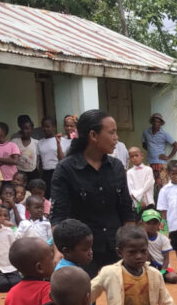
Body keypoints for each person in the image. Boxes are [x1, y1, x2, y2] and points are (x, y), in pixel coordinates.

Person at [51, 109, 135, 275]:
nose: (116, 138)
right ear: (93, 136)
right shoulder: (65, 169)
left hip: (116, 247)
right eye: (111, 132)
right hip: (80, 250)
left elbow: (127, 211)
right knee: (84, 299)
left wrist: (131, 246)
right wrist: (57, 250)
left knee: (124, 297)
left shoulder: (117, 167)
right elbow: (58, 215)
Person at [52, 218, 95, 305]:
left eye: (90, 247)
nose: (90, 252)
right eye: (85, 249)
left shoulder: (67, 267)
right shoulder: (69, 274)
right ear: (67, 251)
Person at [141, 209, 177, 283]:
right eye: (148, 223)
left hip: (163, 267)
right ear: (142, 223)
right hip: (148, 266)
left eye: (155, 223)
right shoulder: (140, 238)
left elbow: (166, 260)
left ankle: (158, 276)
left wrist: (161, 273)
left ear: (159, 224)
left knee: (173, 277)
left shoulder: (163, 239)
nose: (151, 226)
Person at [142, 112, 177, 185]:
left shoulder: (164, 134)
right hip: (149, 162)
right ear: (152, 122)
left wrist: (168, 157)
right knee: (149, 185)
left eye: (158, 122)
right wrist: (151, 150)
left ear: (161, 123)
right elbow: (144, 144)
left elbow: (176, 145)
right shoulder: (146, 132)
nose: (156, 123)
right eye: (154, 121)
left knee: (163, 185)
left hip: (160, 163)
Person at [37, 117, 68, 195]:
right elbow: (40, 161)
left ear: (53, 127)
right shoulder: (40, 142)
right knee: (48, 194)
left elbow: (64, 158)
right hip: (45, 173)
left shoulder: (61, 140)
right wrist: (40, 176)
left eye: (48, 127)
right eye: (44, 127)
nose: (46, 129)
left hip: (57, 171)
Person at [127, 146, 156, 212]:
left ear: (142, 156)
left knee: (150, 221)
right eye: (132, 156)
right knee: (139, 222)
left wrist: (139, 196)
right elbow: (131, 190)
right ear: (130, 159)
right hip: (137, 204)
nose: (134, 158)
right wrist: (140, 201)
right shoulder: (129, 172)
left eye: (136, 155)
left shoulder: (148, 169)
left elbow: (149, 184)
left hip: (149, 202)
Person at [0, 205, 19, 292]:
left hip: (10, 266)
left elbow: (14, 248)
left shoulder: (8, 231)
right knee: (2, 284)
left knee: (17, 283)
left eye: (1, 215)